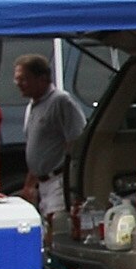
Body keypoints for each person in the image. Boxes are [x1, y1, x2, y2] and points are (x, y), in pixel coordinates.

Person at [14, 52, 84, 222]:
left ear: (42, 78)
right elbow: (36, 147)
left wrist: (71, 181)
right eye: (17, 79)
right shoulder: (32, 105)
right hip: (42, 183)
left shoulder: (61, 102)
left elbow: (76, 142)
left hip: (59, 181)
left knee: (57, 225)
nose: (18, 84)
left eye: (24, 79)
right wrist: (29, 185)